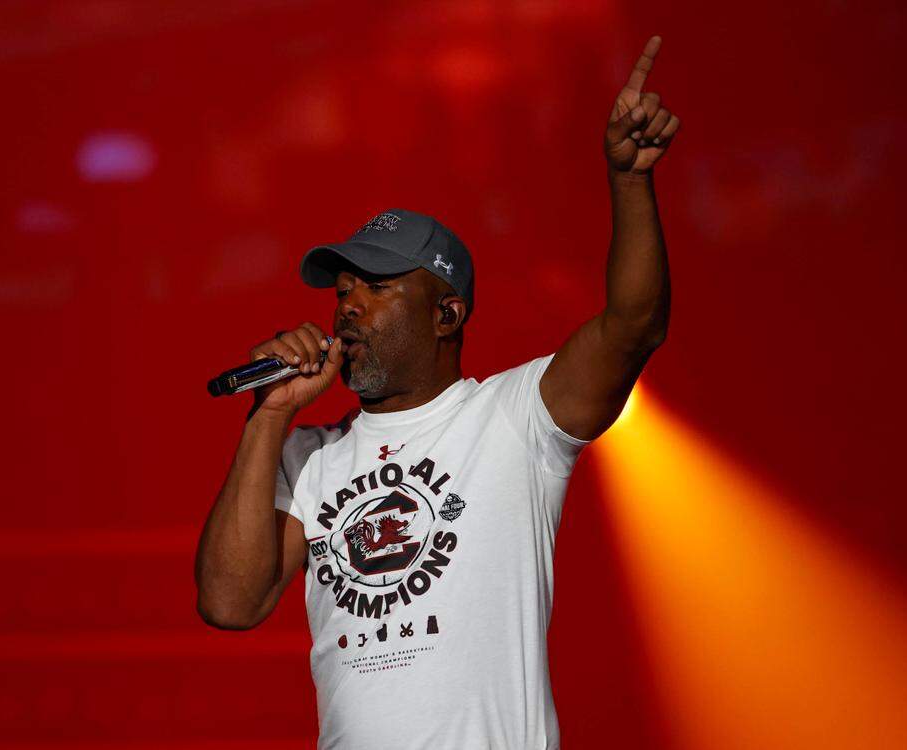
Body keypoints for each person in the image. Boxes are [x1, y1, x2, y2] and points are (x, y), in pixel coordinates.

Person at [195, 35, 679, 750]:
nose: (347, 304)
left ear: (446, 314)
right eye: (345, 287)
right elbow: (230, 604)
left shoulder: (514, 418)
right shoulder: (307, 456)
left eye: (378, 286)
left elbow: (633, 324)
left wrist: (630, 182)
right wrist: (267, 418)